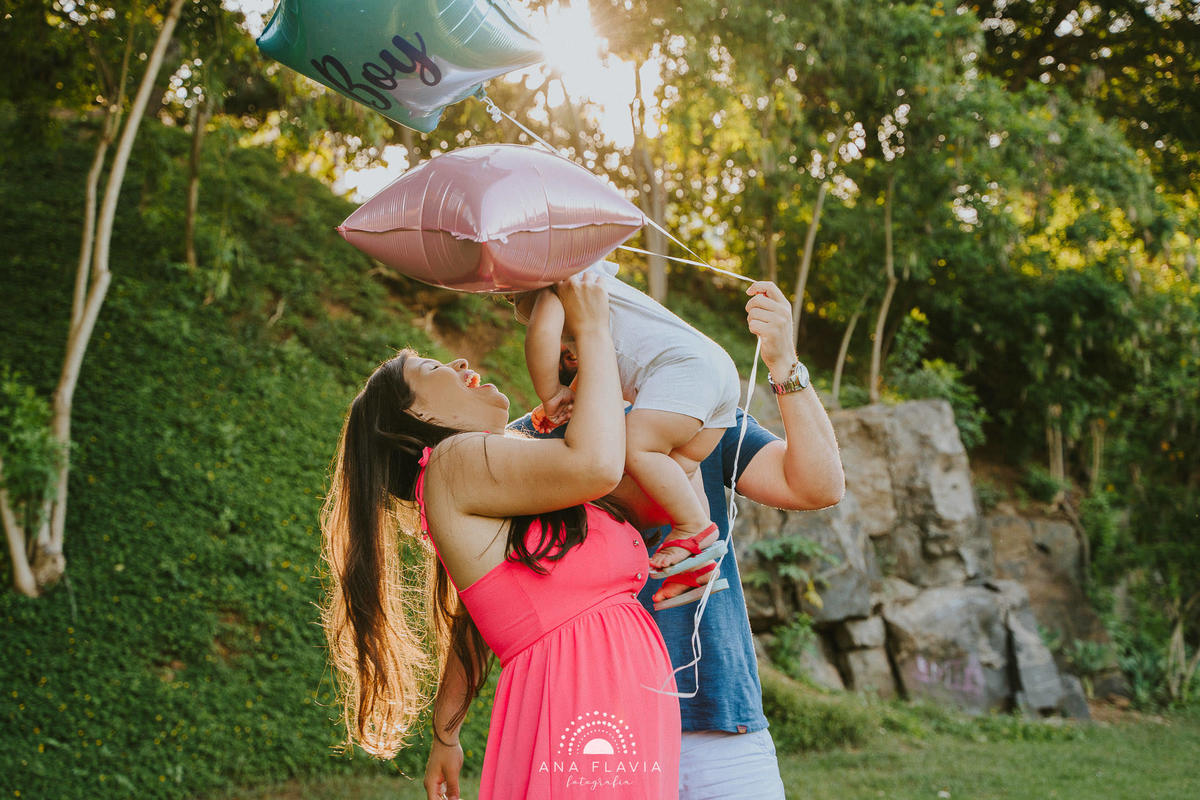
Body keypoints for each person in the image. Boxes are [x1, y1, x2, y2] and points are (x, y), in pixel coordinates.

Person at [427, 279, 844, 799]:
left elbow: (818, 485)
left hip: (718, 717)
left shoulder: (686, 414)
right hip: (598, 723)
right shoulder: (523, 448)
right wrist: (447, 731)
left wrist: (784, 362)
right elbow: (484, 607)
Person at [320, 273, 680, 799]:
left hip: (621, 702)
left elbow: (476, 616)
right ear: (417, 415)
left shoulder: (490, 479)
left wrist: (446, 731)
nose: (460, 362)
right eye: (433, 368)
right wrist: (592, 330)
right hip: (578, 700)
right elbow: (598, 465)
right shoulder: (452, 461)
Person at [511, 261, 742, 609]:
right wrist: (571, 395)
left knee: (634, 448)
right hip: (717, 371)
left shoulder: (557, 284)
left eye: (510, 295)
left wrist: (551, 392)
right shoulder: (596, 283)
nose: (512, 302)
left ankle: (692, 526)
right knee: (680, 465)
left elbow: (540, 336)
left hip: (683, 370)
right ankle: (698, 562)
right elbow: (601, 365)